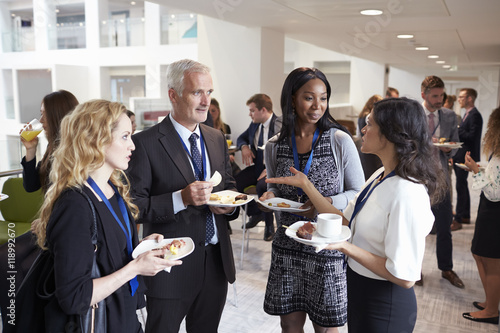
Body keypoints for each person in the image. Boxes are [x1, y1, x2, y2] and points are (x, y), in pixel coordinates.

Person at [268, 97, 447, 332]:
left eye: (370, 124)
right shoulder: (381, 175)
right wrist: (307, 186)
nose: (363, 128)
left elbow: (404, 276)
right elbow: (345, 221)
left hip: (385, 301)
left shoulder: (407, 192)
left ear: (391, 134)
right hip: (360, 289)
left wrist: (343, 246)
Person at [30, 100, 181, 332]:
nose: (133, 146)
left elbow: (107, 254)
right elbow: (73, 297)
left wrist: (142, 248)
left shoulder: (113, 189)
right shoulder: (75, 205)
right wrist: (135, 268)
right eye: (124, 137)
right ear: (96, 140)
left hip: (124, 317)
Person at [127, 59, 237, 333]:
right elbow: (134, 207)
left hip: (215, 265)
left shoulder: (215, 138)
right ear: (173, 95)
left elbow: (230, 186)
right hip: (170, 269)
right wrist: (181, 199)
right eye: (196, 92)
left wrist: (228, 206)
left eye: (209, 92)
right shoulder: (145, 143)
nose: (205, 101)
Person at [261, 67, 364, 332]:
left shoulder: (338, 140)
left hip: (326, 247)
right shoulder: (274, 145)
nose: (318, 106)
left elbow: (357, 193)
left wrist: (323, 201)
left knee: (326, 327)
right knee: (289, 326)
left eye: (323, 97)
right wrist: (271, 197)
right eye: (309, 97)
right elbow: (276, 188)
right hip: (287, 246)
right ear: (292, 98)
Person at [0, 90, 79, 325]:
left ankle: (20, 321)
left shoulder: (74, 152)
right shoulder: (54, 147)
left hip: (60, 229)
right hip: (48, 226)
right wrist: (30, 150)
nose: (40, 120)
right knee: (7, 259)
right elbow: (31, 185)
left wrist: (47, 220)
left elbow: (72, 198)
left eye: (44, 115)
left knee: (10, 261)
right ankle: (16, 321)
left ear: (56, 116)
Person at [418, 76, 464, 288]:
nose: (439, 99)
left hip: (441, 179)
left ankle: (446, 268)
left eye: (441, 95)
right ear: (423, 95)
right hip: (417, 179)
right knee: (416, 227)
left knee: (444, 226)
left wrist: (449, 148)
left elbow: (455, 144)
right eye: (435, 96)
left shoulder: (449, 115)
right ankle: (415, 269)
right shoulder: (414, 114)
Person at [461, 106, 500, 325]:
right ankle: (490, 301)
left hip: (494, 211)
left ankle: (492, 310)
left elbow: (495, 193)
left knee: (492, 261)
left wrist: (476, 172)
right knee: (479, 254)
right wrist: (479, 169)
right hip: (490, 210)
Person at [236, 93, 281, 241]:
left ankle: (269, 227)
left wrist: (269, 169)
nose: (250, 114)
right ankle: (255, 213)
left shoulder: (279, 124)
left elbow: (285, 152)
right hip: (257, 168)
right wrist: (244, 147)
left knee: (263, 186)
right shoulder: (255, 124)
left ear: (263, 110)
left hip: (273, 171)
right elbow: (241, 138)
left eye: (252, 110)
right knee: (235, 183)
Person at [452, 88, 483, 230]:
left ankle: (458, 218)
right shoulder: (467, 114)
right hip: (462, 155)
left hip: (467, 156)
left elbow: (472, 136)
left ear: (470, 98)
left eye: (461, 97)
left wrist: (458, 129)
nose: (459, 99)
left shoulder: (475, 115)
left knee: (461, 186)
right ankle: (464, 215)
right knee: (462, 185)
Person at [357, 94, 383, 180]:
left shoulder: (361, 116)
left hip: (363, 148)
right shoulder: (370, 116)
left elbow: (358, 134)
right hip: (371, 153)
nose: (364, 130)